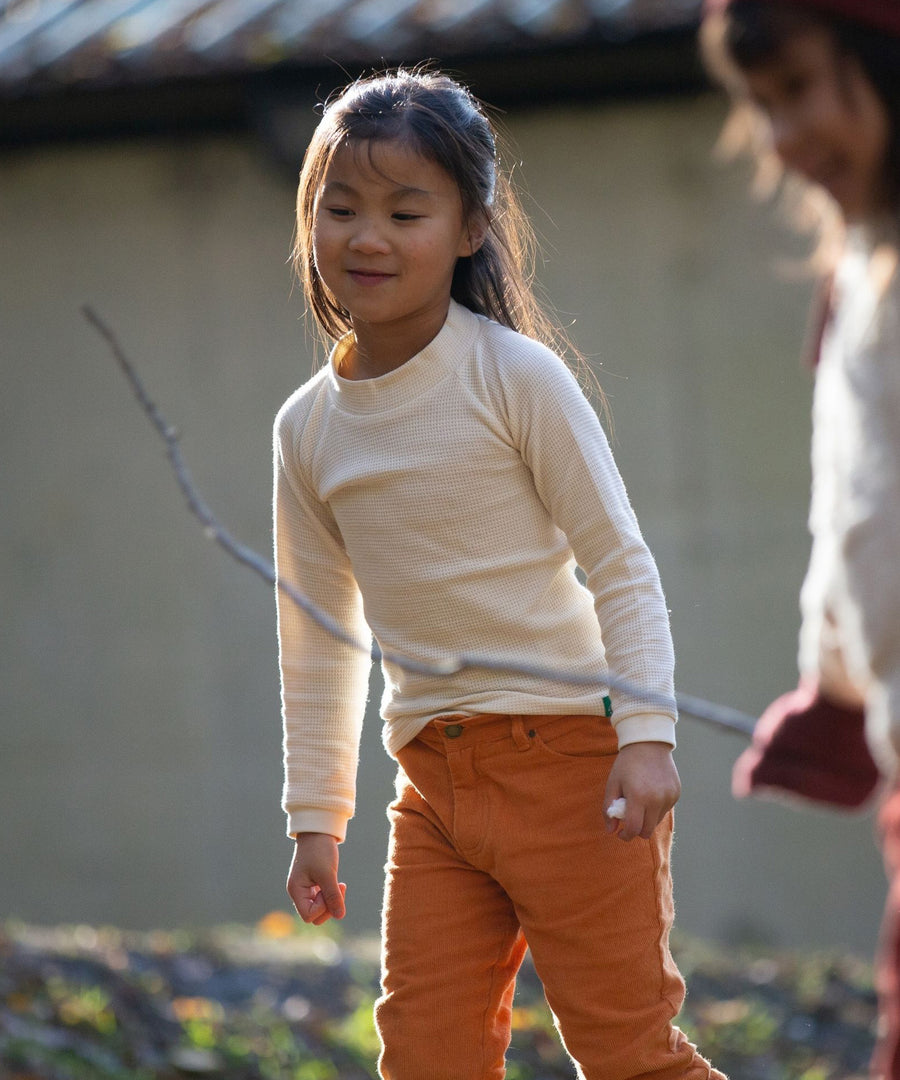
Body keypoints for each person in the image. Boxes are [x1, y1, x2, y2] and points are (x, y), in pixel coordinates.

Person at [273, 67, 724, 1080]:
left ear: (471, 227)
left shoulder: (514, 376)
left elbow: (620, 562)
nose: (366, 237)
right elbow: (314, 632)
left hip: (573, 765)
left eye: (404, 210)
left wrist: (647, 736)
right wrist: (315, 818)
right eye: (339, 208)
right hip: (432, 783)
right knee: (425, 1058)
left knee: (627, 1053)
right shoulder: (306, 429)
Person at [700, 1, 900, 1074]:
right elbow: (856, 519)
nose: (780, 138)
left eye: (802, 91)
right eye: (760, 107)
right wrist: (835, 690)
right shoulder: (861, 275)